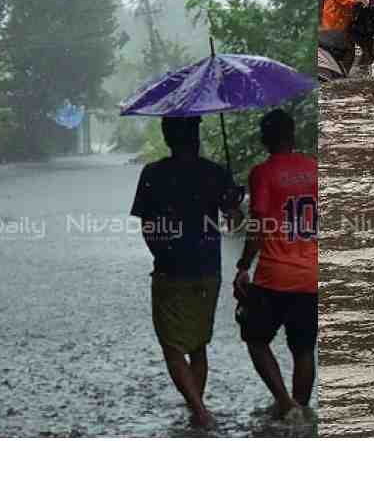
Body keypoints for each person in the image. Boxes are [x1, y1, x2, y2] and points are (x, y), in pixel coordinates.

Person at [130, 116, 241, 429]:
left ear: (167, 137)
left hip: (170, 270)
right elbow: (235, 222)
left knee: (172, 346)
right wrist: (234, 202)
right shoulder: (216, 172)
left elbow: (147, 226)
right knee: (197, 344)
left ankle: (200, 412)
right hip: (208, 269)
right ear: (196, 135)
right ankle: (197, 409)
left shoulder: (152, 173)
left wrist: (160, 254)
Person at [233, 109, 318, 421]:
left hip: (274, 276)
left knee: (255, 339)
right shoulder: (316, 169)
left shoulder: (262, 173)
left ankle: (285, 404)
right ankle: (302, 409)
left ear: (265, 139)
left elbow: (259, 225)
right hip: (311, 274)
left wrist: (243, 265)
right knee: (303, 348)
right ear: (292, 135)